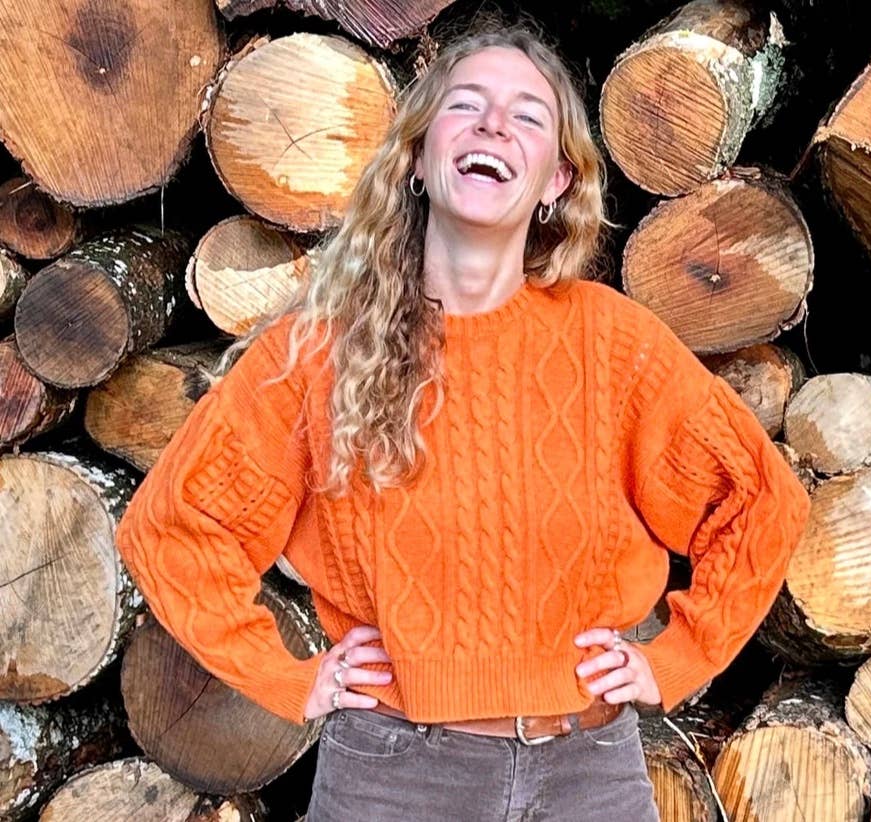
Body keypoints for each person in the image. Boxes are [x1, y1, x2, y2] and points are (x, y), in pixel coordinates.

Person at [115, 22, 812, 822]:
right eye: (466, 105)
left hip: (587, 776)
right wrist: (285, 676)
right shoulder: (320, 351)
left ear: (556, 179)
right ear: (416, 156)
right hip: (392, 779)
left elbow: (760, 500)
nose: (493, 126)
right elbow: (173, 527)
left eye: (527, 116)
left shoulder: (613, 344)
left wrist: (681, 654)